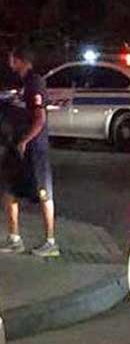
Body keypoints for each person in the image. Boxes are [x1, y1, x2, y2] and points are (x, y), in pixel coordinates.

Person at [0, 45, 59, 257]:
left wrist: (26, 140)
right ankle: (14, 238)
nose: (9, 62)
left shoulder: (35, 82)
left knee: (43, 193)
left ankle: (50, 242)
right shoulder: (23, 84)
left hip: (34, 148)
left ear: (20, 60)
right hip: (18, 147)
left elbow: (40, 118)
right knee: (9, 190)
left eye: (12, 58)